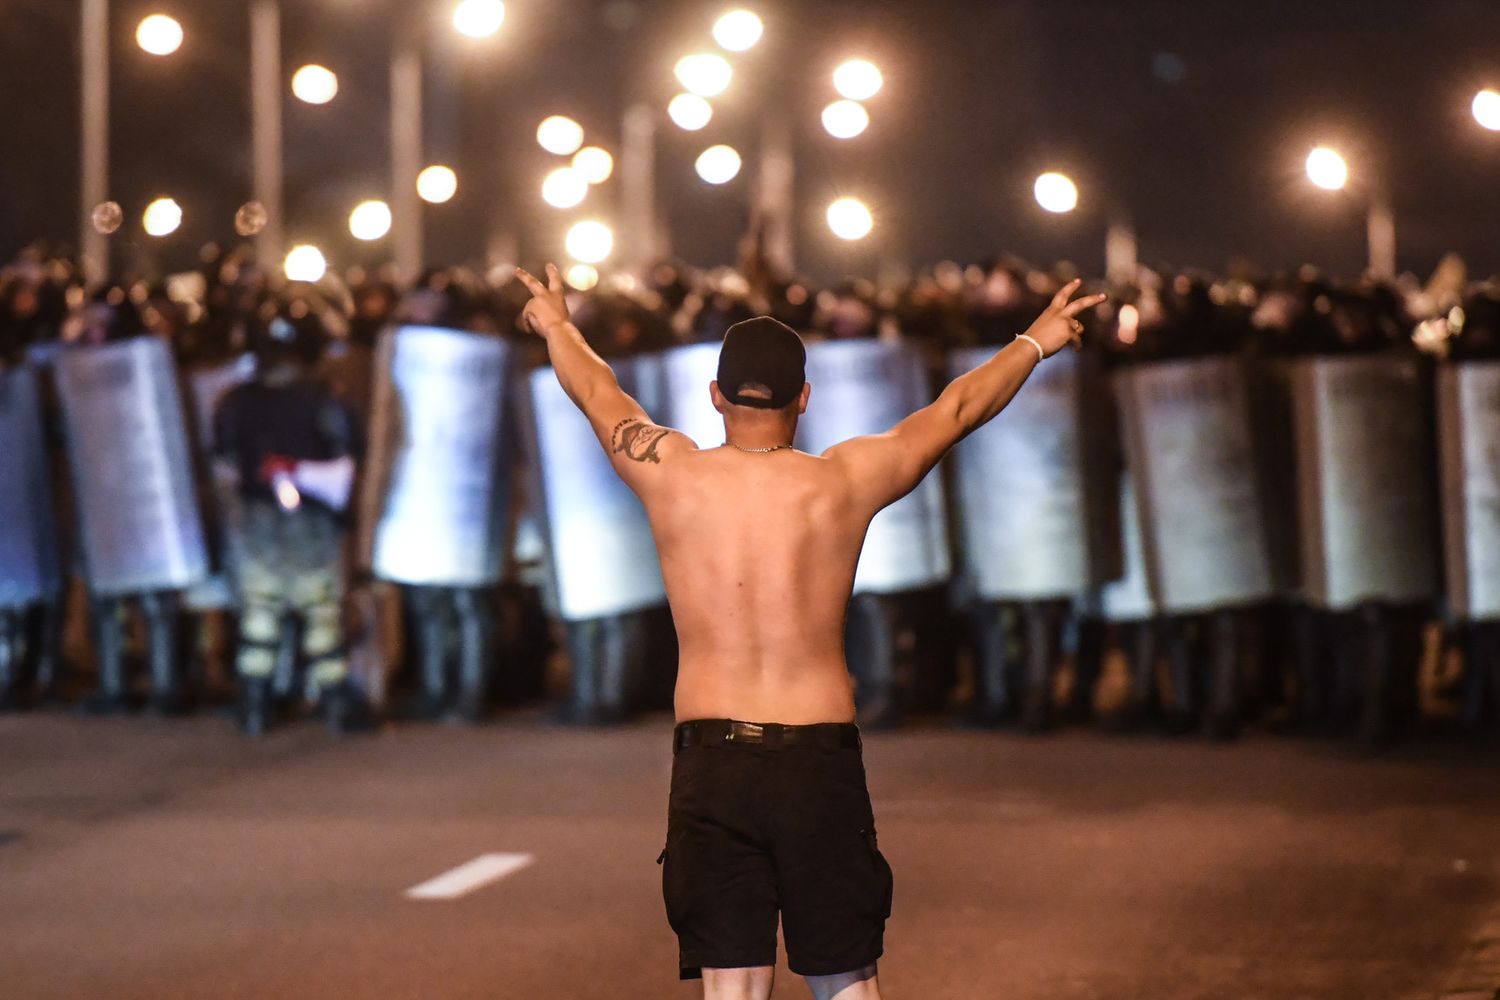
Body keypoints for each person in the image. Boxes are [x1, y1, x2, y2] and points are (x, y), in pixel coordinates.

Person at [514, 262, 1105, 999]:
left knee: (734, 993)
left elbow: (598, 395)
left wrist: (556, 324)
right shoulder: (843, 482)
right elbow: (954, 412)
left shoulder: (671, 473)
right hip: (817, 759)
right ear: (805, 398)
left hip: (714, 759)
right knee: (846, 987)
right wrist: (1035, 340)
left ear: (714, 396)